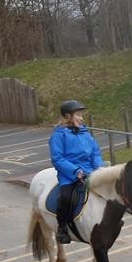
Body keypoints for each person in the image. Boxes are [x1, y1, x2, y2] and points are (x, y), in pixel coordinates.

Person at [49, 100, 104, 244]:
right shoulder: (58, 136)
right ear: (68, 117)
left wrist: (99, 168)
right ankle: (62, 228)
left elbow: (95, 153)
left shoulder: (86, 134)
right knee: (65, 197)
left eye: (81, 115)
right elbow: (58, 159)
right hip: (70, 176)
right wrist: (76, 171)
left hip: (90, 172)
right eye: (78, 115)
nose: (81, 118)